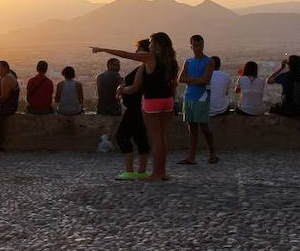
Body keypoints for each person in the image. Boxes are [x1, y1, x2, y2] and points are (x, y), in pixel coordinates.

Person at [92, 32, 179, 181]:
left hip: (152, 101)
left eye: (151, 43)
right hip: (168, 101)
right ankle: (162, 171)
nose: (149, 45)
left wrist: (102, 49)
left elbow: (126, 54)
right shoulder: (172, 61)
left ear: (157, 45)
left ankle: (157, 173)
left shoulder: (150, 58)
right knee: (161, 137)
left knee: (156, 137)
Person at [113, 40, 151, 180]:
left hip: (135, 107)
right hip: (141, 108)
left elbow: (135, 88)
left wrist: (121, 89)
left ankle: (130, 170)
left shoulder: (144, 68)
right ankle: (141, 171)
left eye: (138, 49)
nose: (136, 53)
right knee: (140, 137)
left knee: (122, 136)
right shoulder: (149, 67)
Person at [178, 34, 218, 165]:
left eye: (199, 45)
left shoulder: (209, 62)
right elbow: (181, 79)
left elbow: (205, 80)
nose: (197, 48)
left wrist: (191, 79)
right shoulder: (188, 61)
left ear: (203, 45)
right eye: (194, 45)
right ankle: (191, 156)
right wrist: (196, 80)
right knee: (192, 127)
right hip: (189, 96)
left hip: (201, 98)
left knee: (204, 127)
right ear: (191, 46)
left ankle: (212, 153)